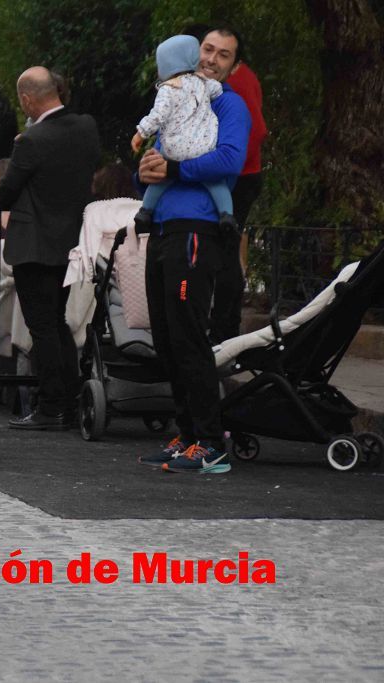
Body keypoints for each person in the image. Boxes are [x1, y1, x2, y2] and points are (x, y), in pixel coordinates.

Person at [135, 26, 251, 474]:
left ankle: (211, 443)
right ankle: (187, 437)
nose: (212, 59)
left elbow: (229, 160)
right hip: (163, 229)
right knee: (165, 338)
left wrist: (174, 168)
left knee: (187, 336)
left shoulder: (228, 104)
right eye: (208, 49)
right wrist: (143, 171)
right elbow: (150, 164)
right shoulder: (176, 96)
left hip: (198, 230)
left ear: (233, 67)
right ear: (195, 51)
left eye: (224, 55)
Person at [0, 66, 101, 430]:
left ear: (27, 99)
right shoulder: (87, 127)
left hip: (33, 245)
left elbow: (6, 192)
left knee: (42, 326)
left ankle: (52, 406)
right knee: (58, 323)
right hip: (70, 241)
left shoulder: (31, 141)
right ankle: (70, 403)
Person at [131, 35, 236, 234]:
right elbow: (218, 90)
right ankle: (226, 215)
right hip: (203, 147)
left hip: (175, 150)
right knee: (216, 183)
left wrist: (141, 133)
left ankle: (145, 211)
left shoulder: (168, 89)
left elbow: (157, 116)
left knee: (161, 180)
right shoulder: (203, 83)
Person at [212, 29, 268, 343]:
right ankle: (222, 327)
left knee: (225, 251)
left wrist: (224, 166)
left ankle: (224, 329)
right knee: (225, 252)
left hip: (239, 176)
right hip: (239, 173)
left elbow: (255, 130)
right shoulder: (232, 79)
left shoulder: (238, 81)